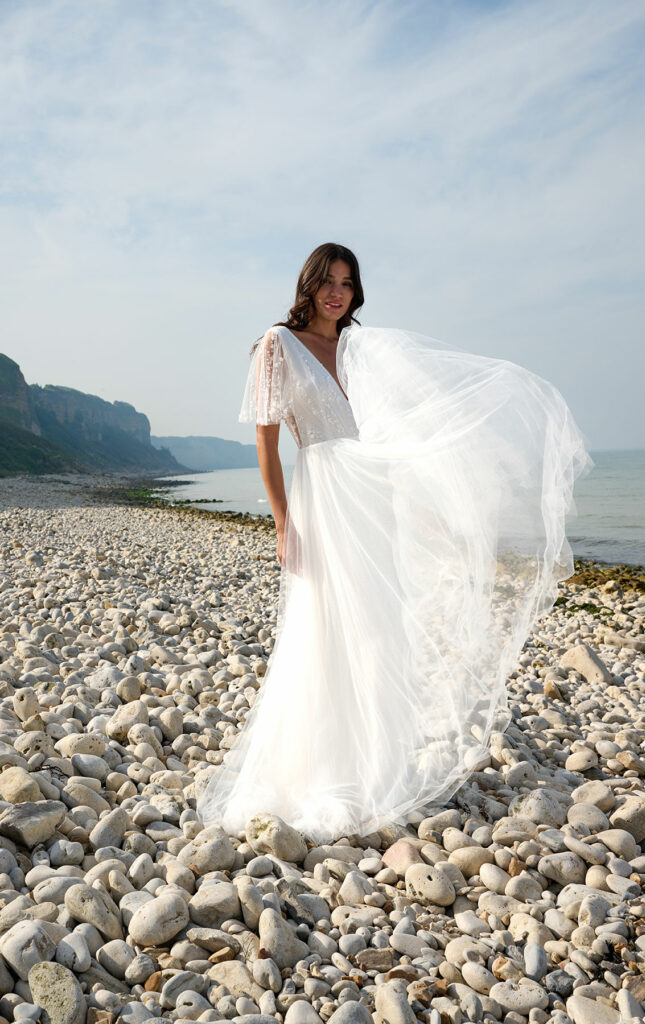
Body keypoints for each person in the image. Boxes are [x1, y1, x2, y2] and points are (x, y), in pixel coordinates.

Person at [196, 241, 593, 843]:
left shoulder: (357, 348)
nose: (338, 292)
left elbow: (383, 430)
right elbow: (267, 444)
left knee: (381, 630)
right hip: (322, 496)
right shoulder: (277, 344)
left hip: (370, 496)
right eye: (328, 281)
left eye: (348, 283)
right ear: (308, 285)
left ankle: (378, 766)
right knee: (325, 625)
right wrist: (282, 521)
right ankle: (320, 771)